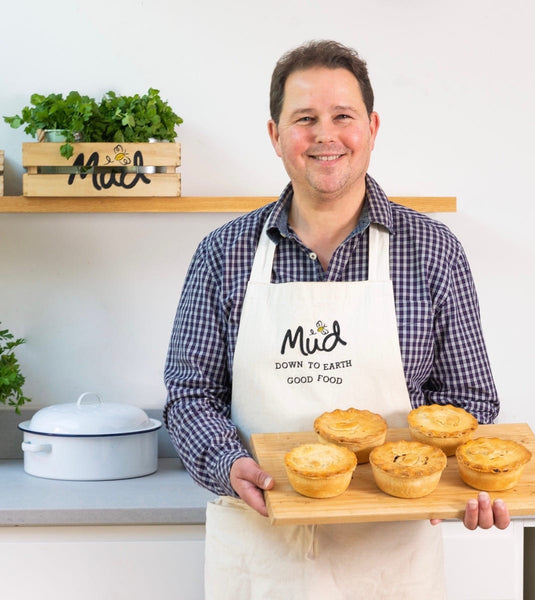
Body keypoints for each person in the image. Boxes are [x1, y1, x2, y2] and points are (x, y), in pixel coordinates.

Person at [164, 39, 510, 600]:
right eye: (305, 119)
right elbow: (190, 394)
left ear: (371, 128)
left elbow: (470, 401)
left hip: (389, 556)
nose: (325, 135)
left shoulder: (431, 251)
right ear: (276, 136)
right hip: (262, 544)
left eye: (342, 116)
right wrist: (229, 463)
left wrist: (448, 480)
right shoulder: (222, 254)